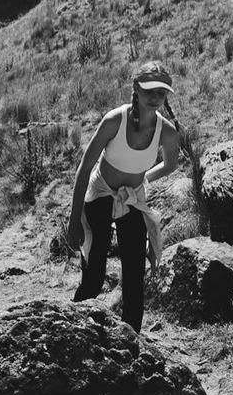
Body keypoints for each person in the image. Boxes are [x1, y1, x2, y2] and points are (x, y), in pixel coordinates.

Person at [66, 61, 181, 332]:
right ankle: (74, 329)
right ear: (136, 90)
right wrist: (73, 220)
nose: (155, 98)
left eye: (161, 93)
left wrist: (143, 179)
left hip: (132, 199)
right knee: (95, 274)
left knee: (133, 274)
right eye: (150, 91)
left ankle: (131, 342)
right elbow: (84, 168)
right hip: (101, 192)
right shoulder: (115, 121)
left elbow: (171, 164)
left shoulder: (167, 132)